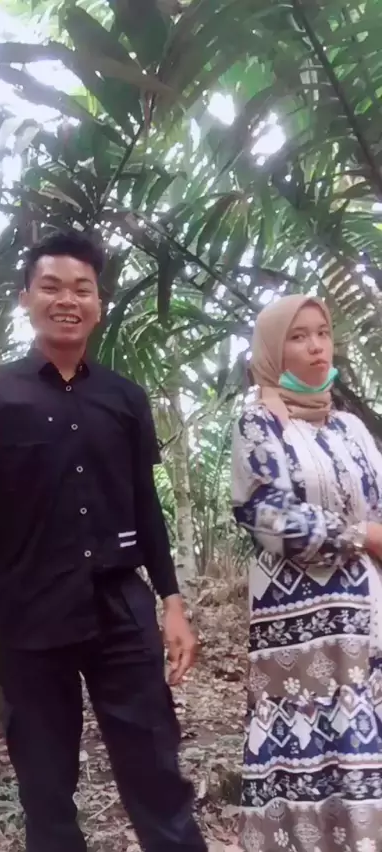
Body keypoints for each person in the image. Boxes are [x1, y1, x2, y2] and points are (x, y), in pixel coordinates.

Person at [0, 230, 207, 852]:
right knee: (46, 794)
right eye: (51, 286)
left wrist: (173, 602)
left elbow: (145, 505)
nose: (67, 300)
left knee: (157, 776)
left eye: (82, 289)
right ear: (26, 298)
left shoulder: (125, 398)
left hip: (121, 609)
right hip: (29, 612)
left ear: (99, 304)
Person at [232, 294, 382, 852]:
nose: (317, 346)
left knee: (363, 747)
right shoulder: (259, 423)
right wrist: (360, 536)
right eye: (298, 336)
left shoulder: (351, 428)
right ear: (274, 350)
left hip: (367, 616)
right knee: (309, 751)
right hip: (301, 628)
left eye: (322, 332)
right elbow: (269, 517)